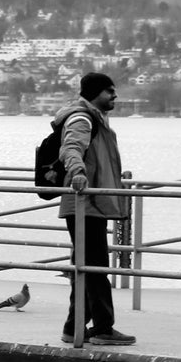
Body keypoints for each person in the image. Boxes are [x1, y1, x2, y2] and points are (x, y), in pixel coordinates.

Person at [57, 71, 134, 346]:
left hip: (90, 203)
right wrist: (78, 172)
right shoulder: (82, 118)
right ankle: (102, 327)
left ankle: (73, 327)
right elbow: (71, 148)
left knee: (85, 267)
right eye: (109, 91)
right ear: (95, 93)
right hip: (84, 202)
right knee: (96, 267)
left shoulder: (96, 118)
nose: (114, 95)